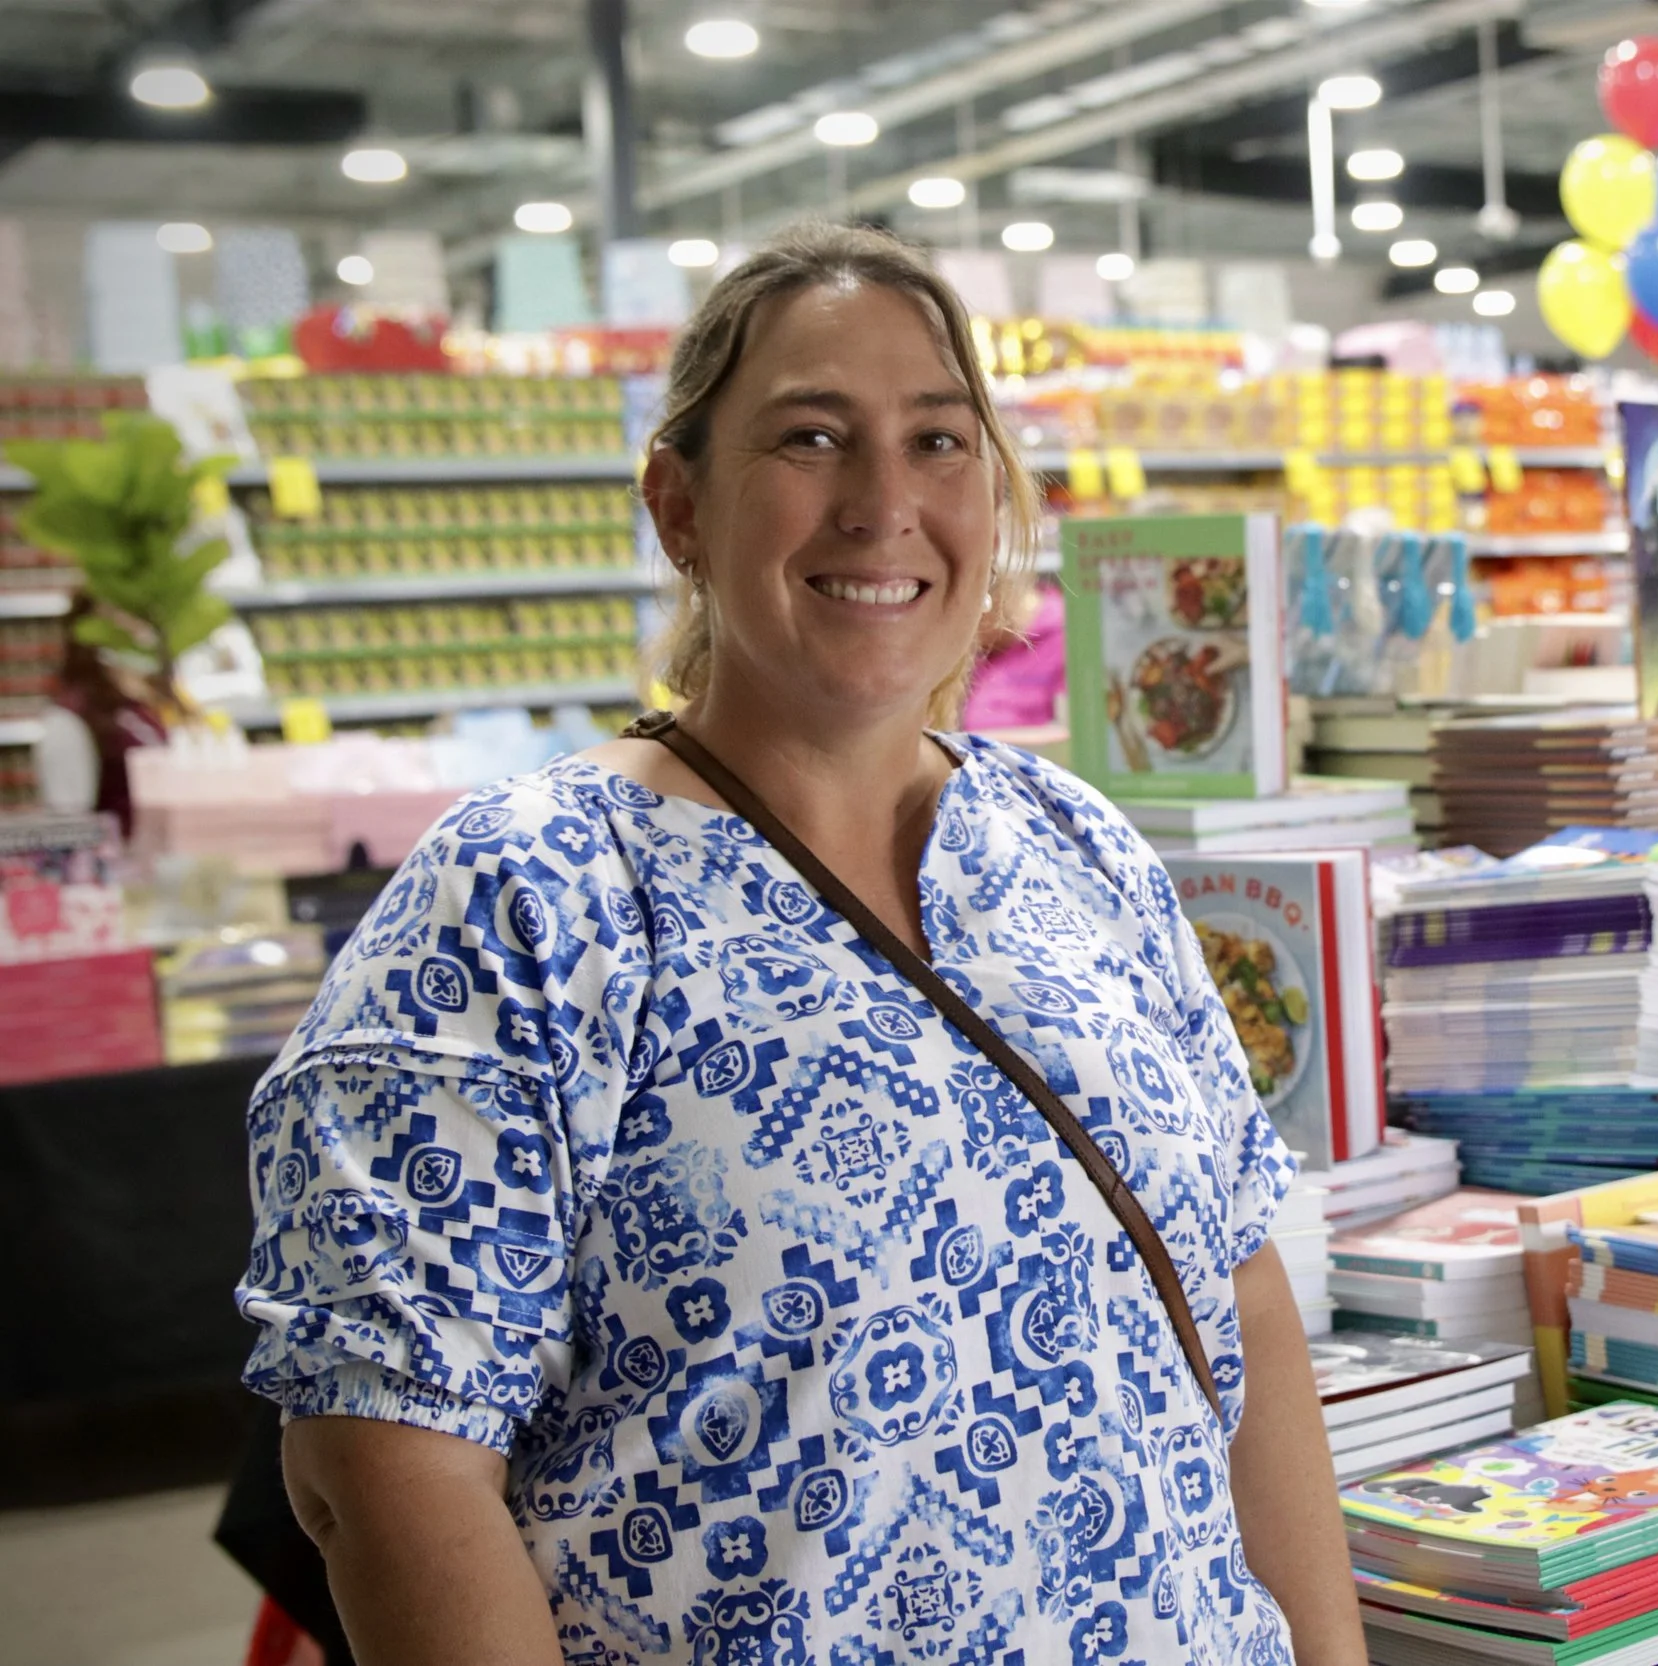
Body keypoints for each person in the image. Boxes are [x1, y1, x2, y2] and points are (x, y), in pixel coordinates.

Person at [236, 221, 1365, 1666]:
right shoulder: (527, 898)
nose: (884, 502)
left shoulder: (1076, 848)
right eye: (812, 438)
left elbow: (1244, 1294)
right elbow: (387, 1461)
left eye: (939, 440)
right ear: (678, 506)